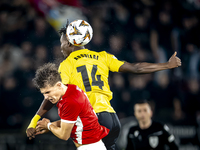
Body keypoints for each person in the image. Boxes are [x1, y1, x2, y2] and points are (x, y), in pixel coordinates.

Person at [26, 20, 181, 150]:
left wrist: (34, 121)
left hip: (92, 121)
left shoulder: (67, 65)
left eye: (62, 43)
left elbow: (54, 94)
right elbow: (136, 68)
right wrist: (166, 65)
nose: (61, 48)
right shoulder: (103, 57)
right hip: (112, 119)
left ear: (70, 42)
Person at [32, 63, 109, 150]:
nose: (46, 97)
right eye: (43, 94)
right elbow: (72, 120)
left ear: (59, 85)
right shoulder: (70, 90)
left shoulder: (70, 101)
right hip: (93, 145)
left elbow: (64, 135)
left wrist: (49, 125)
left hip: (89, 147)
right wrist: (47, 126)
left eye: (48, 92)